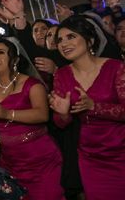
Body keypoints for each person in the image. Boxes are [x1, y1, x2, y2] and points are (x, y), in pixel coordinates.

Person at [0, 39, 64, 200]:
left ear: (15, 59)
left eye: (1, 52)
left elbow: (42, 114)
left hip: (41, 158)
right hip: (11, 161)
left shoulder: (32, 85)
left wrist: (7, 114)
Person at [49, 15, 125, 200]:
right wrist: (63, 114)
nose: (63, 44)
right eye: (59, 40)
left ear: (89, 40)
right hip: (90, 157)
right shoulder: (62, 75)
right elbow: (60, 123)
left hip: (121, 149)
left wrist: (94, 106)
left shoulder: (116, 67)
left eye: (71, 37)